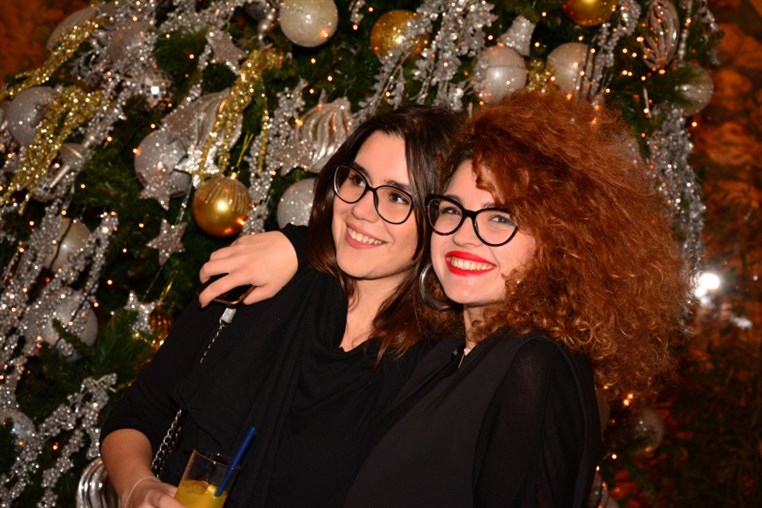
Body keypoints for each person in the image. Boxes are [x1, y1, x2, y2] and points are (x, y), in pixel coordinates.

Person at [203, 91, 689, 507]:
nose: (464, 235)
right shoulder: (452, 354)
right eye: (452, 209)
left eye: (499, 218)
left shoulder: (534, 366)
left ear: (559, 241)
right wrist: (296, 247)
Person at [100, 103, 462, 508]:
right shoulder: (255, 284)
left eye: (397, 197)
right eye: (357, 180)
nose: (360, 208)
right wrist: (138, 488)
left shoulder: (437, 372)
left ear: (441, 219)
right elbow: (136, 416)